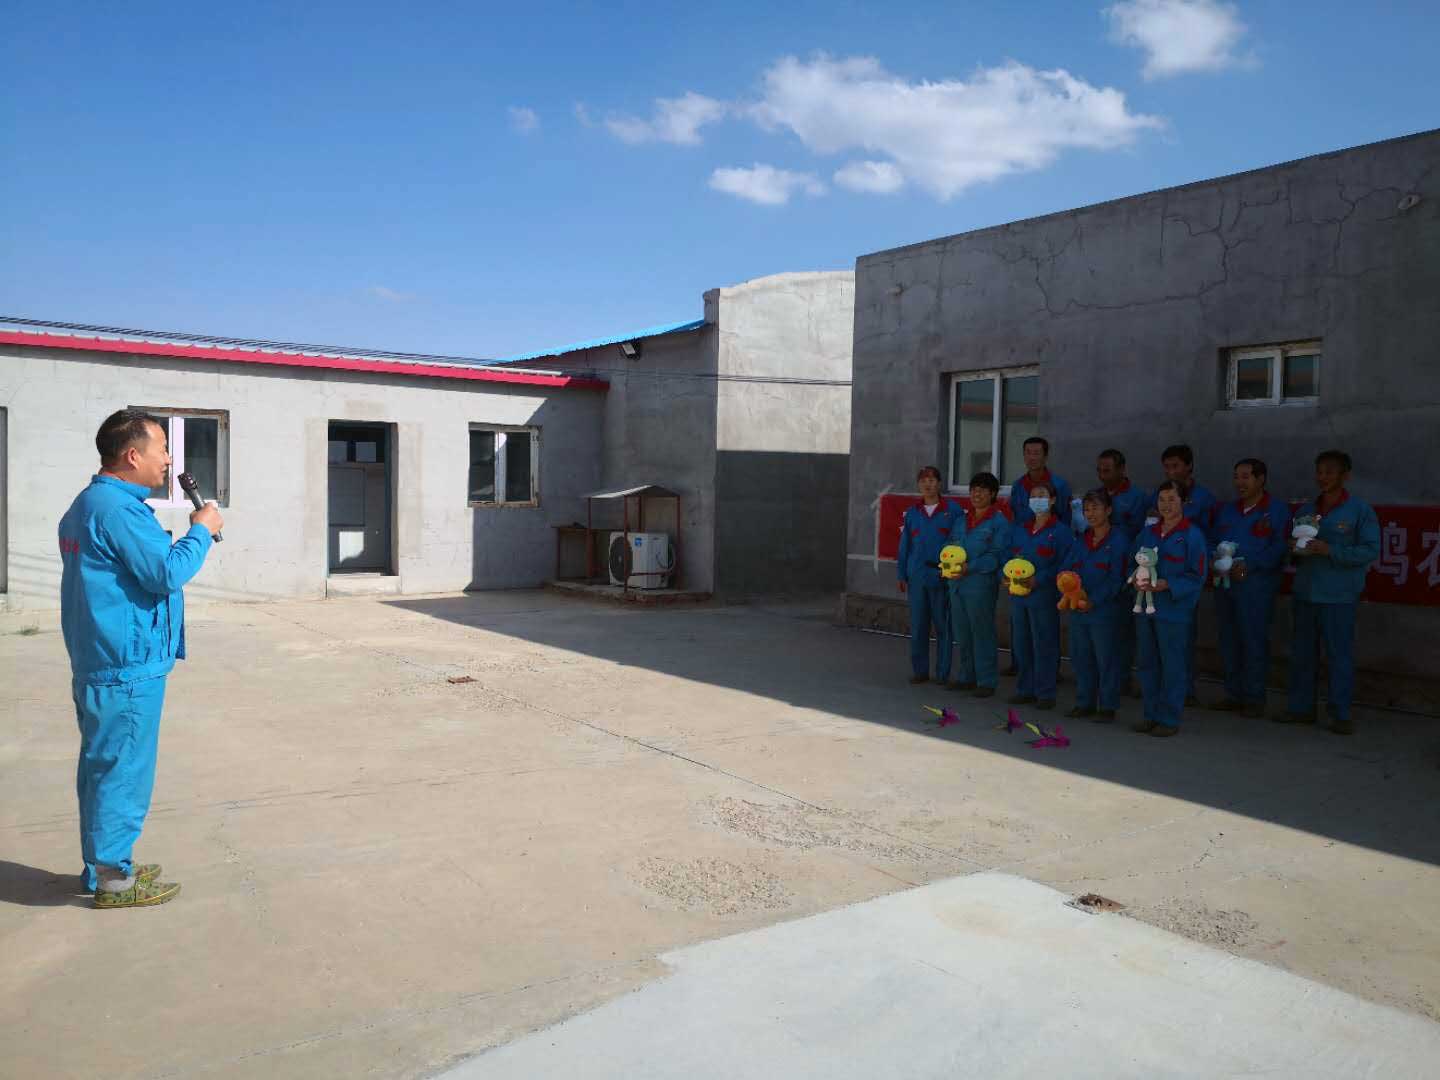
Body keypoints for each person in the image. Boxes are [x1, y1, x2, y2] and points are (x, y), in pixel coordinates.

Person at [59, 409, 223, 908]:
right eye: (163, 450)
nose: (169, 460)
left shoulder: (88, 504)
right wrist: (201, 530)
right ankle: (114, 879)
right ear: (132, 455)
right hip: (125, 666)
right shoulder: (119, 512)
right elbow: (164, 574)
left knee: (104, 767)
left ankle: (105, 866)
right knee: (122, 772)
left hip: (104, 658)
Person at [1278, 450, 1380, 734]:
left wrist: (1330, 550)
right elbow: (1293, 552)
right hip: (1306, 593)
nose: (1322, 477)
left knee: (1339, 656)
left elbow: (1370, 550)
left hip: (1339, 597)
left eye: (1329, 472)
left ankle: (1340, 713)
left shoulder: (1359, 511)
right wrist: (1294, 549)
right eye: (1319, 472)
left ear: (1345, 476)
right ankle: (1300, 709)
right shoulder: (1306, 511)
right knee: (1302, 655)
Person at [1208, 458, 1291, 718]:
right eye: (1236, 477)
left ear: (1260, 479)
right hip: (1225, 586)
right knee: (1228, 640)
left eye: (1245, 477)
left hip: (1256, 587)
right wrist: (1214, 560)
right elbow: (1212, 541)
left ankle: (1254, 697)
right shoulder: (1227, 511)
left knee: (1254, 640)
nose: (1239, 482)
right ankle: (1233, 694)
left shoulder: (1276, 511)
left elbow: (1280, 547)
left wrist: (1251, 565)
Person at [1131, 480, 1208, 738]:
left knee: (1173, 666)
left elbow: (1197, 576)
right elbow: (1133, 561)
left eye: (1172, 499)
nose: (1166, 505)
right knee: (1147, 663)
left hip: (1174, 611)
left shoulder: (1192, 535)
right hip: (1146, 609)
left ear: (1183, 502)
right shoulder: (1148, 533)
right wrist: (1136, 579)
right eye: (1162, 500)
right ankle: (1150, 714)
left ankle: (1169, 717)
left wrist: (1168, 584)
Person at [1148, 445, 1217, 706]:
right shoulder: (1150, 530)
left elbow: (1208, 542)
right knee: (1152, 655)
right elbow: (1137, 555)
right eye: (1166, 467)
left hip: (1179, 592)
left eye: (1175, 466)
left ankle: (1181, 696)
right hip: (1151, 597)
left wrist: (1172, 583)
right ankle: (1156, 707)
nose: (1171, 471)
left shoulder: (1201, 509)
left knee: (1180, 648)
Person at [1063, 489, 1131, 721]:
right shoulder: (1081, 540)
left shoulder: (1119, 541)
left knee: (1107, 659)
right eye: (1087, 509)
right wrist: (1068, 589)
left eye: (1096, 508)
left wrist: (1094, 601)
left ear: (1108, 510)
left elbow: (1117, 579)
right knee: (1081, 657)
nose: (1090, 514)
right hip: (1078, 608)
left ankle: (1108, 706)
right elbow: (1067, 568)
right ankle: (1085, 702)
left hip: (1105, 611)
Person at [1005, 481, 1074, 710]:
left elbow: (1065, 565)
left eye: (1042, 495)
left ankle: (1045, 692)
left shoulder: (1061, 532)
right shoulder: (1020, 529)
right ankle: (1025, 689)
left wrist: (1040, 579)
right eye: (1033, 496)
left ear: (1052, 500)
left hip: (1044, 596)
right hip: (1018, 596)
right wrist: (1004, 575)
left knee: (1044, 643)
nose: (1037, 500)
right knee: (1021, 643)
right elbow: (1007, 557)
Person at [945, 472, 1009, 699]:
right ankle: (966, 676)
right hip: (956, 584)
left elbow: (996, 556)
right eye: (973, 489)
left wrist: (970, 567)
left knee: (981, 632)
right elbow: (950, 545)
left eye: (982, 490)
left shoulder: (999, 523)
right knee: (962, 632)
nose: (976, 494)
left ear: (992, 494)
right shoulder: (961, 520)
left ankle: (986, 680)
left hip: (980, 584)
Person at [897, 466, 960, 685]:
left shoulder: (952, 511)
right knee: (918, 626)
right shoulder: (913, 513)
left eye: (932, 480)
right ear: (918, 485)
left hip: (941, 575)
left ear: (939, 484)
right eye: (923, 480)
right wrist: (902, 574)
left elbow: (959, 542)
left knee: (944, 626)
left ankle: (942, 673)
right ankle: (920, 671)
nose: (928, 484)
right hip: (917, 576)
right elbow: (905, 546)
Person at [1097, 448, 1148, 696]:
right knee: (1102, 630)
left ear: (1122, 469)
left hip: (1126, 567)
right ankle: (1104, 678)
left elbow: (1141, 533)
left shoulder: (1137, 497)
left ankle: (1123, 678)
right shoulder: (1096, 496)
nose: (1102, 475)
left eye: (1107, 470)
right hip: (1099, 567)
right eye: (1099, 470)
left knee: (1124, 630)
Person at [1008, 436, 1072, 529]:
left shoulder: (1060, 485)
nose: (1032, 458)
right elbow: (1015, 518)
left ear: (1045, 457)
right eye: (1028, 453)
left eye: (1036, 453)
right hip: (1022, 535)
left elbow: (1065, 519)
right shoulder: (1017, 486)